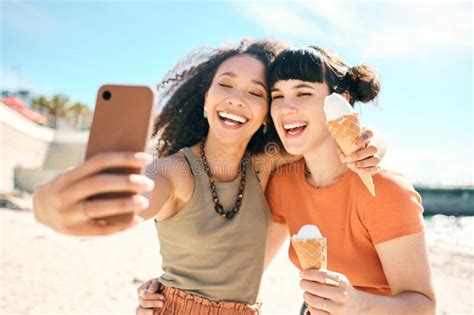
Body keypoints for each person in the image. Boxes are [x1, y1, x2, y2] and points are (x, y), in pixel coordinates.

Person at [32, 40, 384, 315]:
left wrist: (375, 145)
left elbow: (327, 143)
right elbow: (137, 197)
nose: (236, 100)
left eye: (255, 93)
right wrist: (49, 205)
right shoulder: (174, 172)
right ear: (205, 100)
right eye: (225, 85)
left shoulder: (269, 165)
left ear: (267, 113)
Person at [263, 46, 435, 314]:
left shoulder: (387, 190)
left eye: (303, 92)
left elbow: (424, 306)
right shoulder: (283, 183)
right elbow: (253, 266)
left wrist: (357, 304)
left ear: (340, 101)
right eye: (277, 96)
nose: (286, 107)